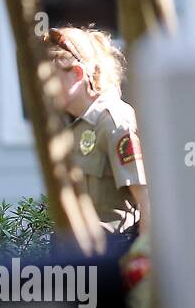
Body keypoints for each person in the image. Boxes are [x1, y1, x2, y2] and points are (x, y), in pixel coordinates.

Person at [45, 26, 151, 245]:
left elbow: (147, 200)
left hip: (111, 258)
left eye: (51, 79)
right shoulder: (77, 126)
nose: (45, 89)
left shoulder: (114, 123)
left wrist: (143, 260)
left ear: (77, 74)